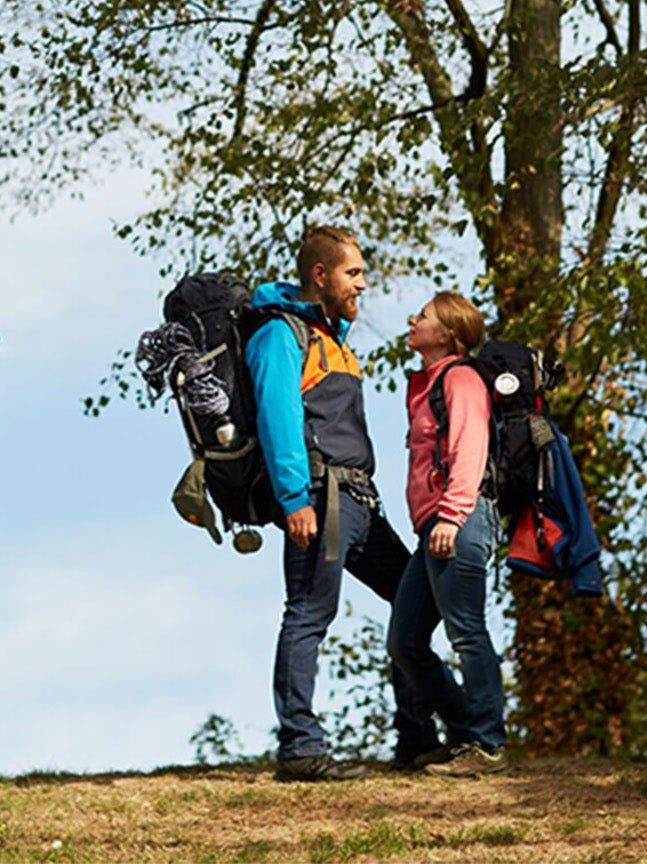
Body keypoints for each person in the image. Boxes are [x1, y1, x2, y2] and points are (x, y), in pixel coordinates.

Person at [246, 225, 442, 782]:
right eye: (353, 273)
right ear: (320, 275)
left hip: (358, 501)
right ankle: (301, 748)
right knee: (309, 614)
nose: (362, 283)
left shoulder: (333, 340)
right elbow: (278, 419)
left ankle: (417, 740)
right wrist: (293, 500)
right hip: (319, 498)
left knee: (413, 598)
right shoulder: (282, 336)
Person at [387, 290, 509, 777]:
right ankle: (466, 730)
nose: (413, 319)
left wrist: (452, 515)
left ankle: (486, 743)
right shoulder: (428, 383)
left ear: (449, 334)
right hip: (434, 527)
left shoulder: (460, 378)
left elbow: (470, 450)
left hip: (459, 519)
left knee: (466, 630)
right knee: (405, 641)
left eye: (425, 316)